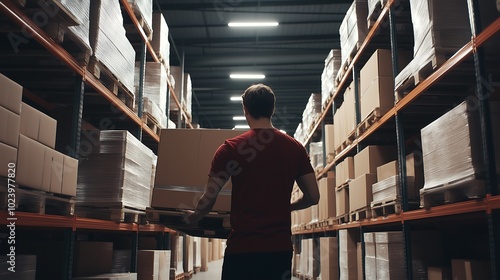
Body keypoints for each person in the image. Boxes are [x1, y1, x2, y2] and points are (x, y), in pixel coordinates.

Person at [184, 83, 319, 280]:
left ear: (245, 109)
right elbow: (313, 196)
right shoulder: (296, 149)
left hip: (242, 249)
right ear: (272, 110)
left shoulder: (230, 148)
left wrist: (195, 216)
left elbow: (209, 197)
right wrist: (287, 207)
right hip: (279, 250)